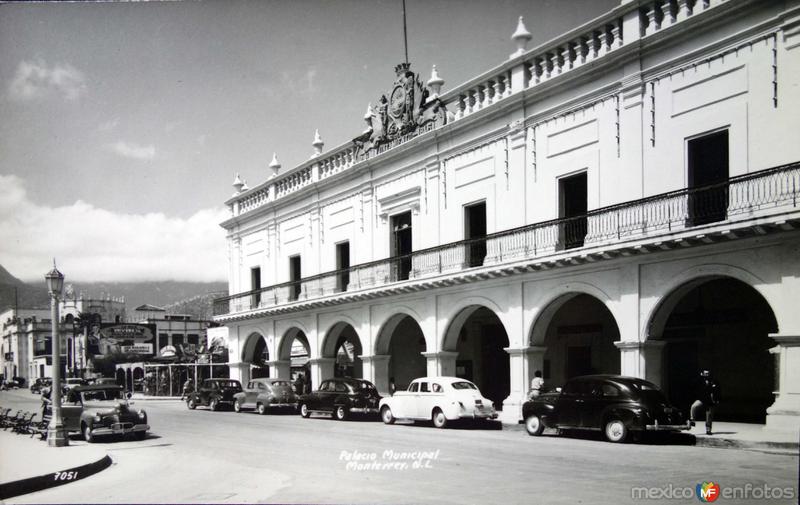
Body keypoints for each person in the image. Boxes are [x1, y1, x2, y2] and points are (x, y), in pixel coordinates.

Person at [690, 369, 721, 435]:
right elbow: (694, 384)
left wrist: (717, 399)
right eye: (705, 373)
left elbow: (718, 391)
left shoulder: (713, 381)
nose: (707, 375)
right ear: (703, 374)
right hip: (702, 399)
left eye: (708, 373)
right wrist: (700, 376)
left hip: (710, 401)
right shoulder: (700, 380)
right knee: (694, 406)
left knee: (709, 416)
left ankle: (708, 430)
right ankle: (692, 419)